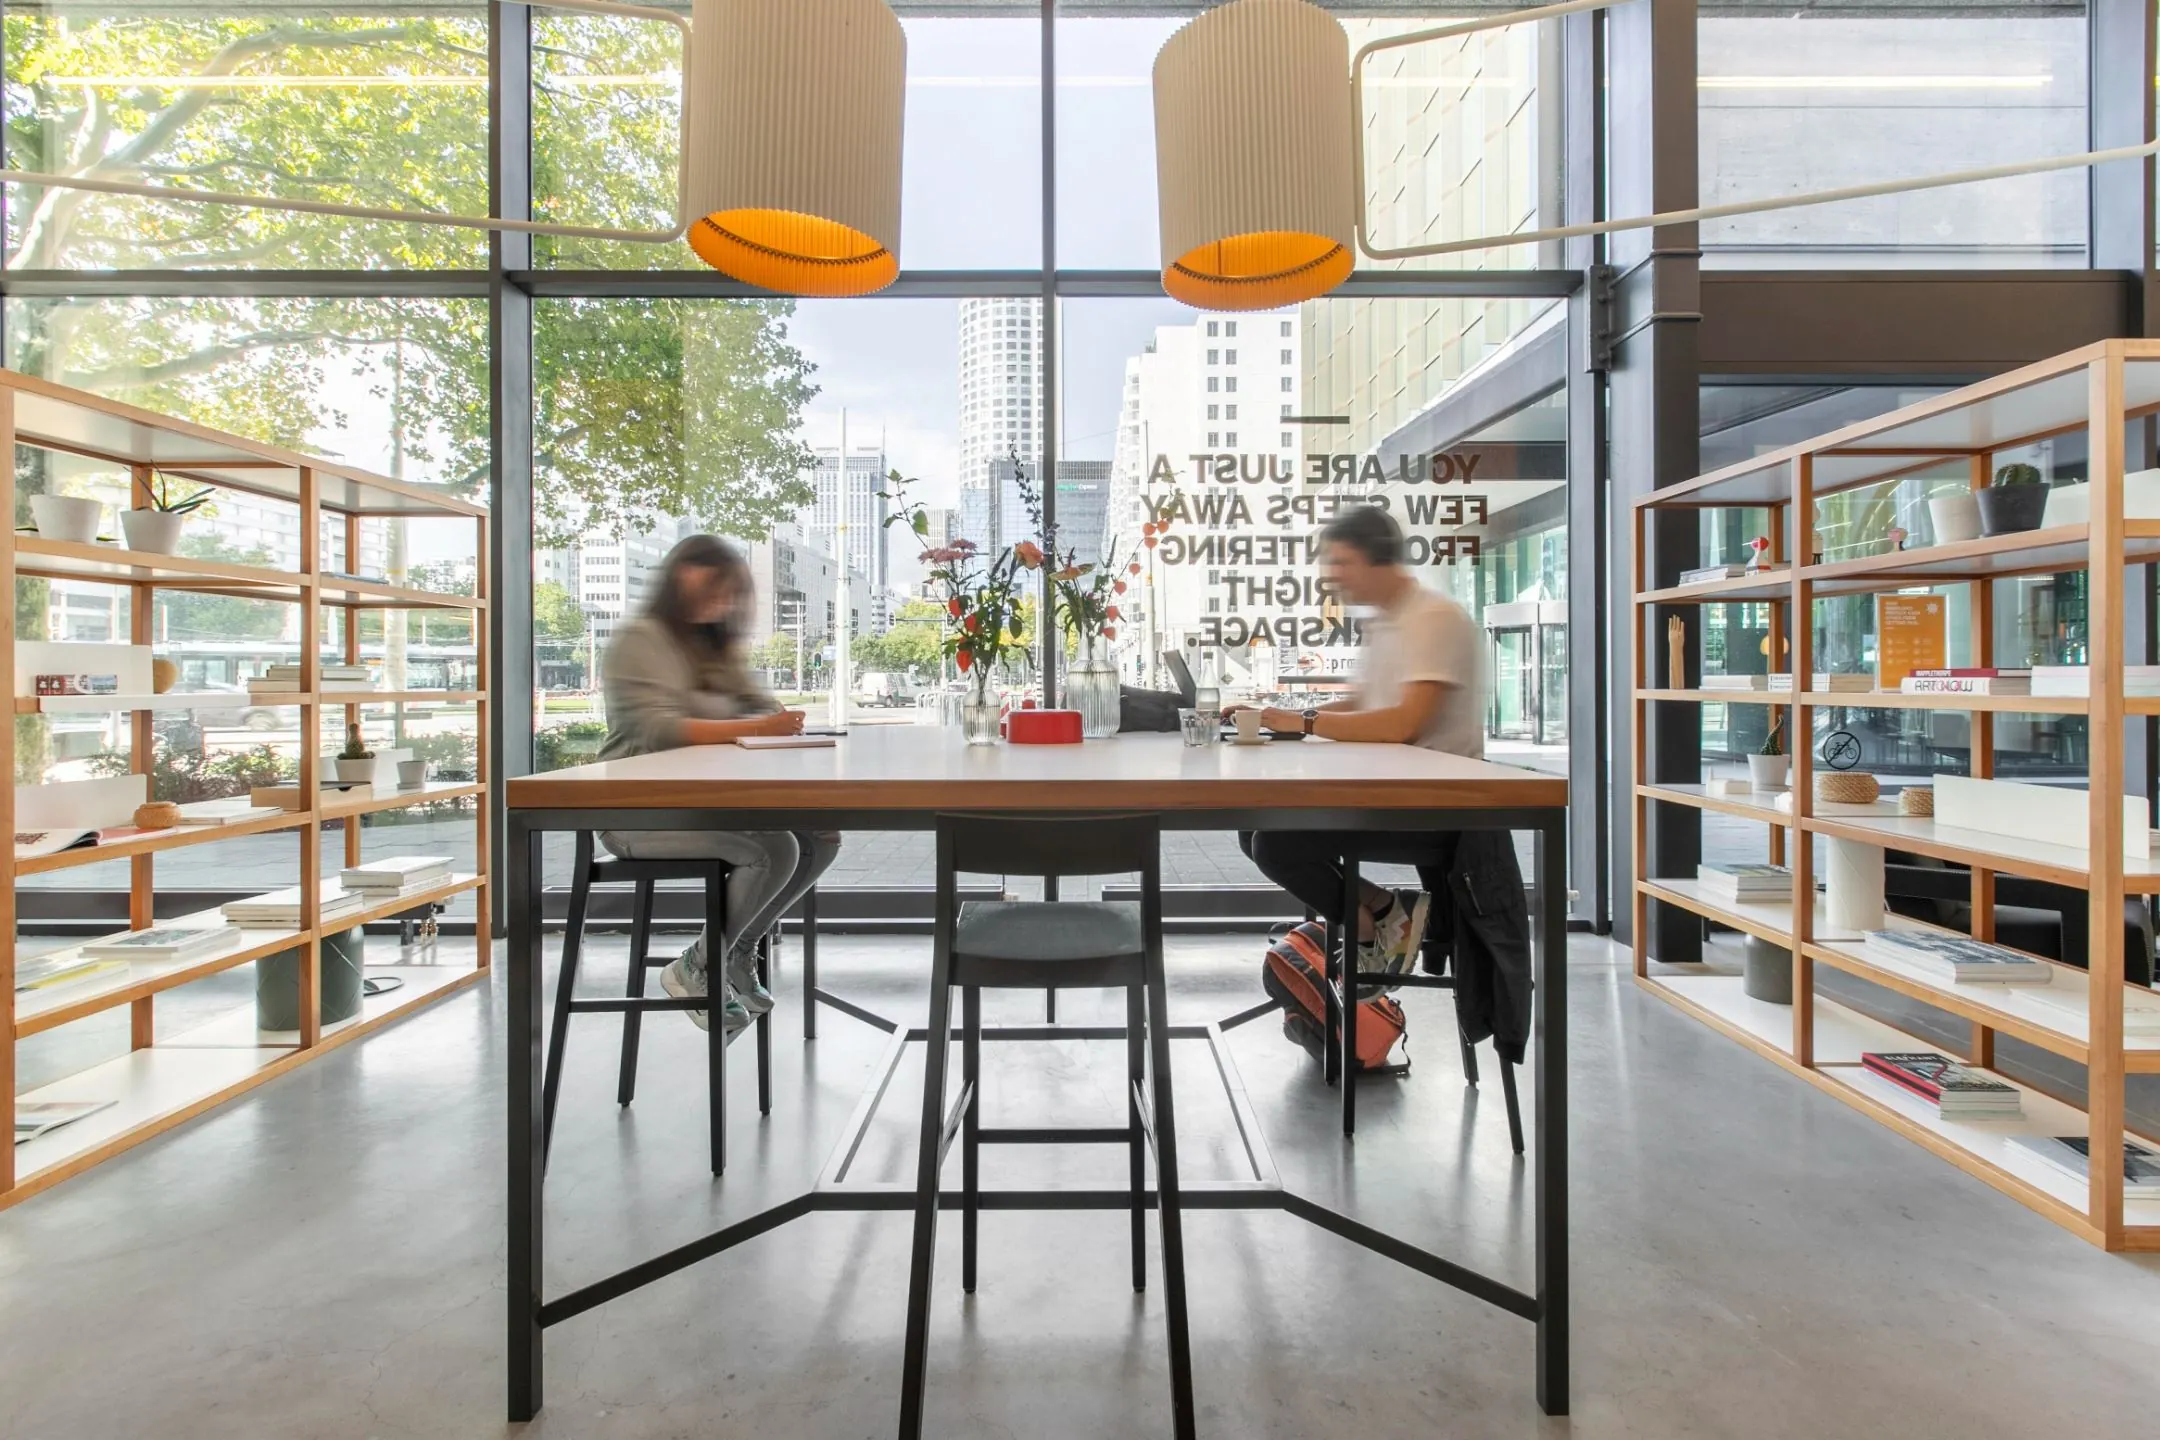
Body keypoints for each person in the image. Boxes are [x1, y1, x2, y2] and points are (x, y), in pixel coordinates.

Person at [599, 534, 841, 1038]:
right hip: (635, 813)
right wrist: (754, 726)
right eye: (716, 586)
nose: (722, 600)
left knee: (819, 835)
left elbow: (758, 705)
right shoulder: (642, 639)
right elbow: (659, 729)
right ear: (681, 574)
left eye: (731, 592)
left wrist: (772, 718)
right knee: (773, 848)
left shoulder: (716, 647)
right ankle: (699, 966)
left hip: (697, 806)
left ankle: (730, 955)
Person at [1233, 504, 1488, 978]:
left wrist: (1304, 724)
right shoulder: (1388, 621)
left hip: (1436, 807)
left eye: (1342, 562)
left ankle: (1376, 926)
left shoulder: (1433, 618)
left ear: (1379, 560)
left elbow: (1400, 724)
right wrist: (1282, 717)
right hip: (1397, 792)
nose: (1333, 576)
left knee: (1276, 844)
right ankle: (1387, 909)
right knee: (1254, 830)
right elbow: (1362, 703)